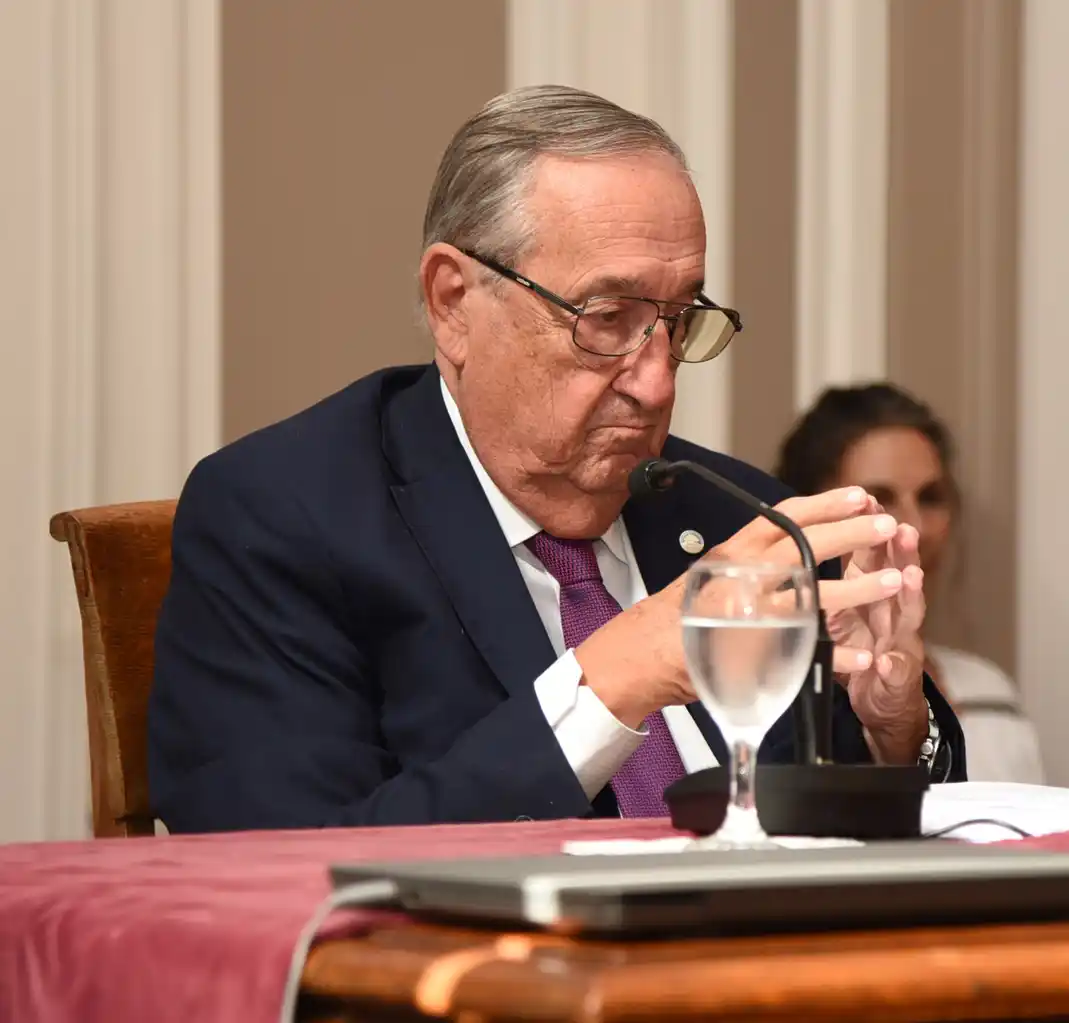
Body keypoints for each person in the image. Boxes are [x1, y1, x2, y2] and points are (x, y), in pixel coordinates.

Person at [147, 86, 965, 833]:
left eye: (677, 321)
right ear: (453, 303)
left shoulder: (734, 515)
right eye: (606, 317)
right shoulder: (284, 518)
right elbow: (276, 867)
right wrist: (621, 671)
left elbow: (853, 845)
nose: (655, 382)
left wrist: (893, 730)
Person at [776, 384, 1045, 783]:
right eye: (878, 499)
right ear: (810, 519)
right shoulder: (763, 697)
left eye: (931, 497)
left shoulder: (990, 691)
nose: (914, 528)